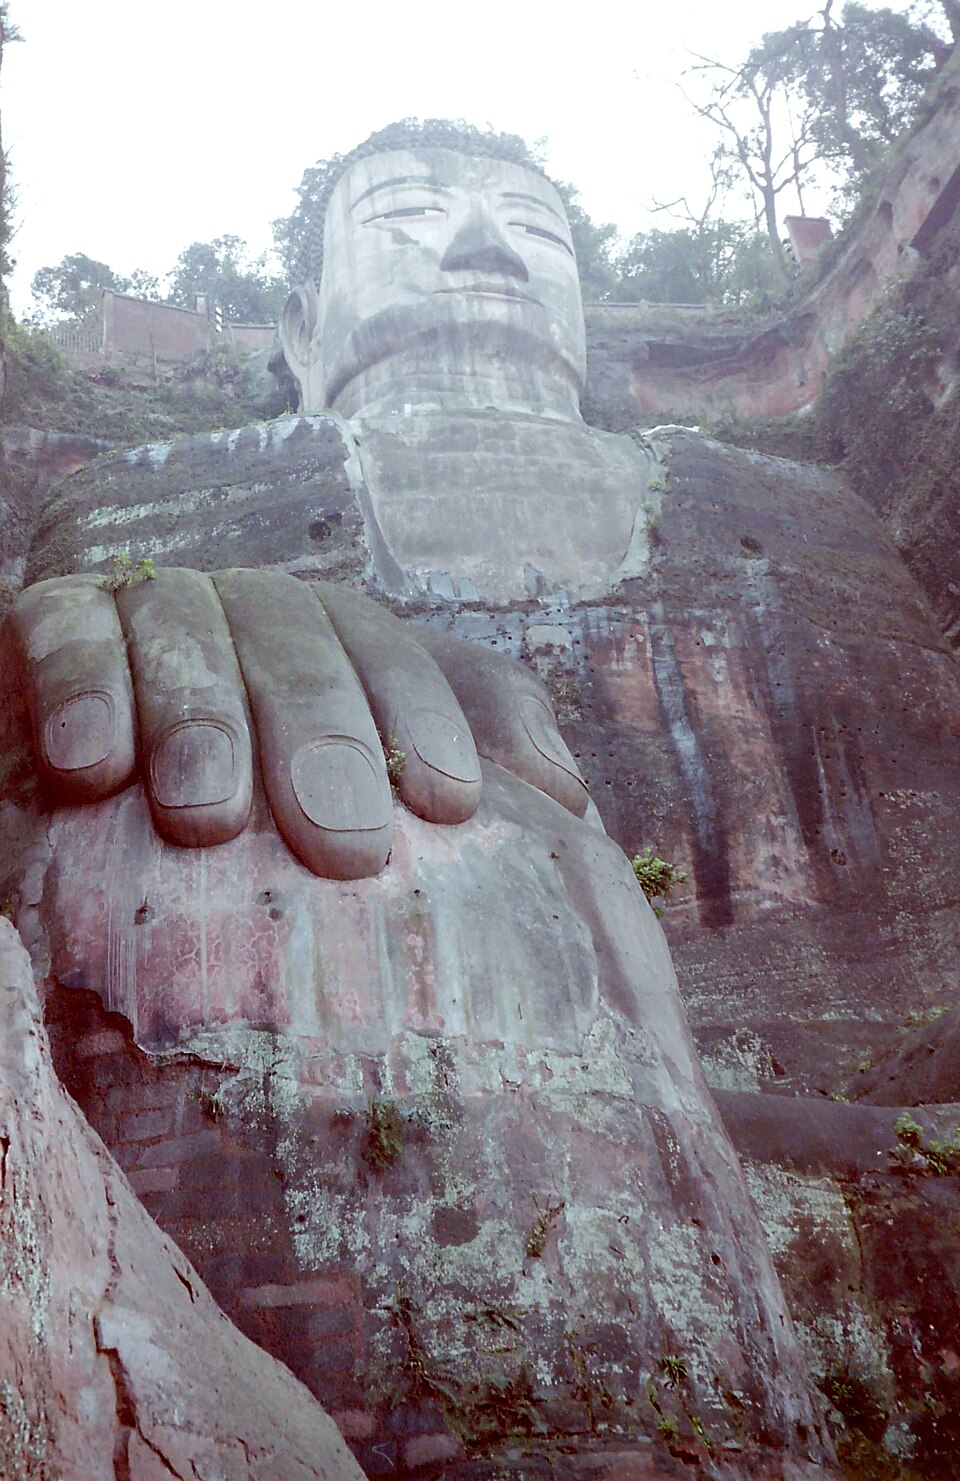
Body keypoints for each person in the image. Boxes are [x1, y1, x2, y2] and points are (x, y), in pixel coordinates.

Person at [11, 123, 835, 1473]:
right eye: (406, 215)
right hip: (426, 1053)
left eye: (536, 225)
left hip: (784, 1149)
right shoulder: (163, 509)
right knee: (170, 810)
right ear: (299, 319)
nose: (481, 248)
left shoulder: (789, 518)